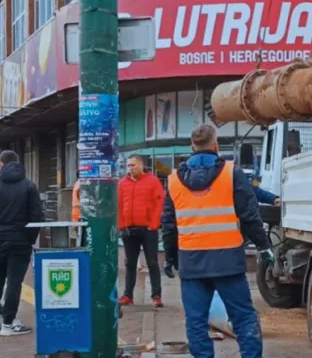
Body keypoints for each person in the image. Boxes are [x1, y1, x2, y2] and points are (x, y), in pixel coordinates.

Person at [161, 124, 274, 358]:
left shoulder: (173, 180)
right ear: (215, 145)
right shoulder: (232, 173)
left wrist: (171, 258)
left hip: (191, 263)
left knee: (196, 322)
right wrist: (264, 246)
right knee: (243, 318)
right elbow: (250, 215)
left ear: (192, 146)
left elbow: (169, 225)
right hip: (228, 261)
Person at [0, 150, 44, 336]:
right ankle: (8, 324)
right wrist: (30, 238)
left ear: (1, 163)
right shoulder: (29, 186)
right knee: (15, 282)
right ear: (18, 162)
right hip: (21, 240)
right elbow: (37, 215)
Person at [117, 155, 165, 307]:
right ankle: (128, 296)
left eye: (133, 165)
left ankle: (156, 296)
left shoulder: (152, 181)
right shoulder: (122, 183)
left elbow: (159, 203)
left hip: (148, 229)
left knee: (152, 263)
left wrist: (154, 225)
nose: (130, 168)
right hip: (129, 230)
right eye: (128, 165)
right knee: (130, 264)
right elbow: (118, 206)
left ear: (141, 165)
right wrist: (122, 226)